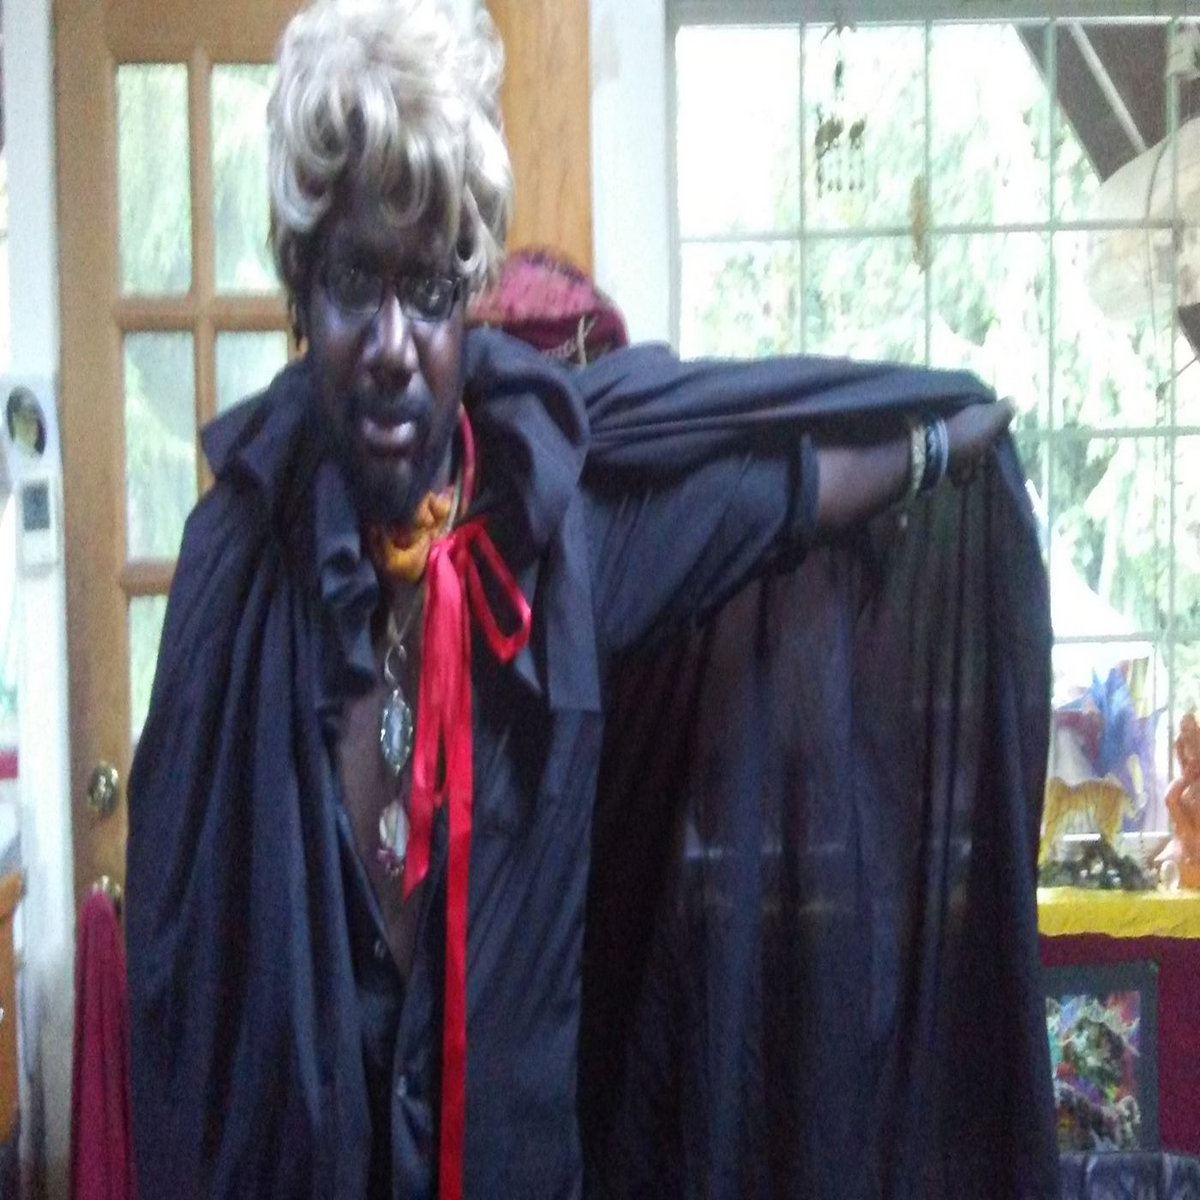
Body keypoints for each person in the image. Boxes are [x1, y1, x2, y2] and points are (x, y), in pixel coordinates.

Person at [126, 1, 1050, 1197]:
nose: (395, 343)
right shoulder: (235, 562)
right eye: (357, 281)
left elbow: (771, 494)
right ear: (304, 292)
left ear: (470, 301)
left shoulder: (554, 541)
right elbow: (179, 967)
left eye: (429, 288)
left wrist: (936, 442)